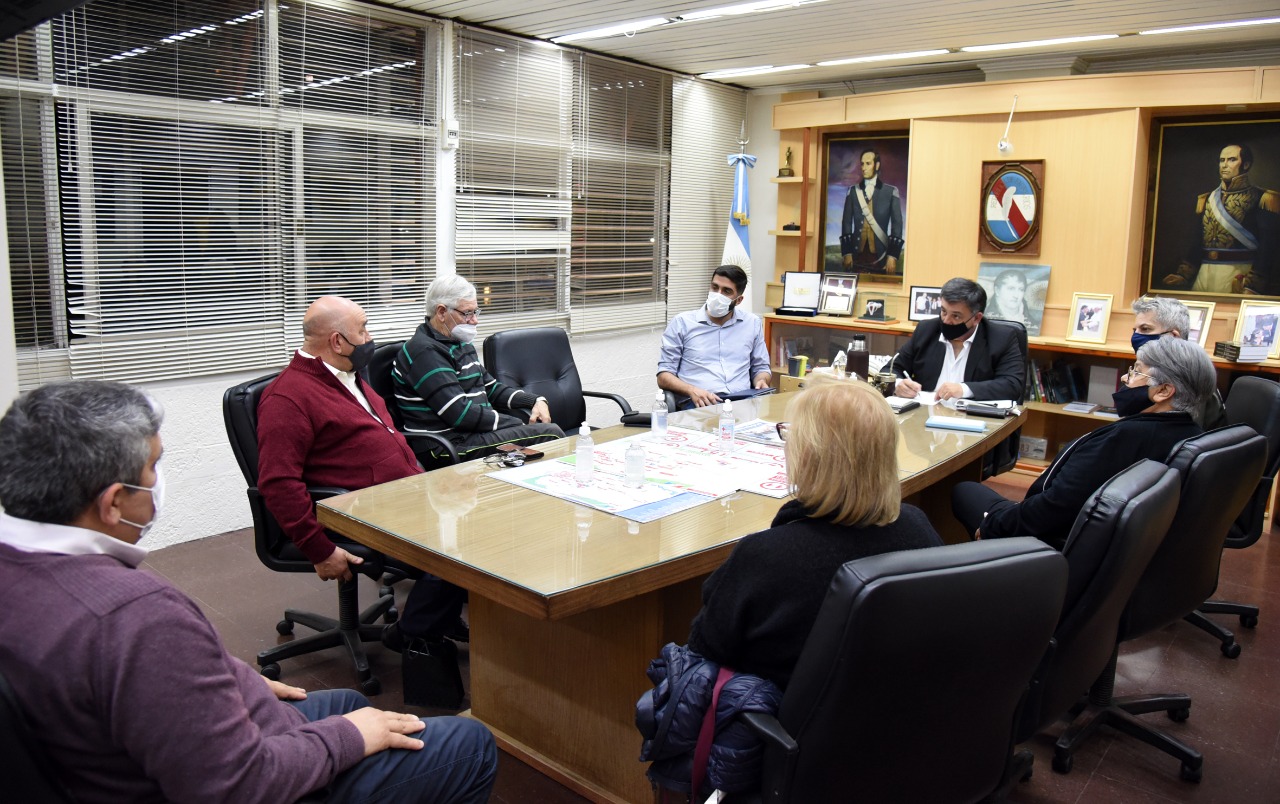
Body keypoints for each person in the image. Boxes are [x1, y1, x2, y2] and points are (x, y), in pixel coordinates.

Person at [0, 381, 497, 803]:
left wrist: (226, 677)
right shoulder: (135, 617)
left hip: (162, 740)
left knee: (346, 698)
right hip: (243, 778)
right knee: (471, 742)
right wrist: (346, 739)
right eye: (153, 467)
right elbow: (237, 786)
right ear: (112, 504)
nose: (158, 481)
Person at [685, 380, 942, 688]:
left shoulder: (766, 555)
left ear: (808, 455)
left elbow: (706, 648)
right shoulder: (918, 527)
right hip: (900, 718)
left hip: (778, 724)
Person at [257, 295, 466, 647]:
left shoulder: (346, 374)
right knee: (460, 548)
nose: (370, 338)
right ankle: (410, 632)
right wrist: (319, 550)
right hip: (357, 512)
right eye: (363, 329)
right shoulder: (287, 398)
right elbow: (278, 484)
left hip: (398, 496)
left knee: (477, 521)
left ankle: (436, 619)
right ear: (337, 341)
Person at [952, 336, 1213, 550]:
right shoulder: (1193, 436)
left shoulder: (1119, 440)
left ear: (1164, 391)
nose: (1125, 378)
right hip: (1117, 552)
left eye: (1136, 371)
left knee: (964, 491)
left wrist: (993, 526)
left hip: (1050, 546)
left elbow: (1055, 508)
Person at [393, 274, 565, 462]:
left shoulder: (457, 342)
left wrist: (534, 400)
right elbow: (460, 414)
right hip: (445, 446)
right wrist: (517, 423)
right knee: (551, 434)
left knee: (542, 430)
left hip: (471, 435)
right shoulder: (424, 352)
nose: (475, 320)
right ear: (441, 312)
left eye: (476, 312)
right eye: (467, 313)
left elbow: (491, 388)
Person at [1159, 143, 1279, 295]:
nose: (1224, 165)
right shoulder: (1207, 198)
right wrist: (1183, 274)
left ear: (1246, 165)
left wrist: (1253, 285)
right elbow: (1198, 240)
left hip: (1239, 274)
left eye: (1231, 160)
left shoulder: (1263, 198)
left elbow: (1268, 247)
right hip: (1204, 273)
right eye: (1222, 160)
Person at [892, 277, 1025, 402]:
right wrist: (898, 384)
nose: (946, 321)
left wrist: (964, 389)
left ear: (976, 318)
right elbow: (892, 368)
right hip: (924, 412)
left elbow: (1012, 385)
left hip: (972, 419)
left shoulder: (1001, 338)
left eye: (956, 316)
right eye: (944, 312)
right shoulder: (926, 330)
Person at [658, 265, 771, 409]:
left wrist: (761, 380)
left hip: (742, 402)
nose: (718, 294)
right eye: (714, 287)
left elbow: (761, 367)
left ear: (739, 300)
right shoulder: (682, 323)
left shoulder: (752, 323)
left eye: (726, 291)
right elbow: (663, 376)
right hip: (699, 403)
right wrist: (691, 390)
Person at [1131, 295, 1226, 428]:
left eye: (1145, 329)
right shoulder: (1146, 371)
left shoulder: (1192, 379)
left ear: (1173, 336)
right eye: (1135, 330)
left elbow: (1183, 438)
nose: (1135, 336)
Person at [840, 148, 904, 274]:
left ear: (877, 165)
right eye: (862, 164)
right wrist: (847, 252)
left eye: (868, 163)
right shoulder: (853, 191)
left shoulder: (891, 192)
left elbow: (897, 225)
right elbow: (846, 222)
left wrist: (892, 256)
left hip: (881, 255)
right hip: (857, 255)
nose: (864, 167)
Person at [985, 269, 1036, 334]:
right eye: (1011, 288)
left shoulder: (1033, 324)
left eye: (1021, 289)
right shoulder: (985, 320)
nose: (1016, 295)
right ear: (997, 290)